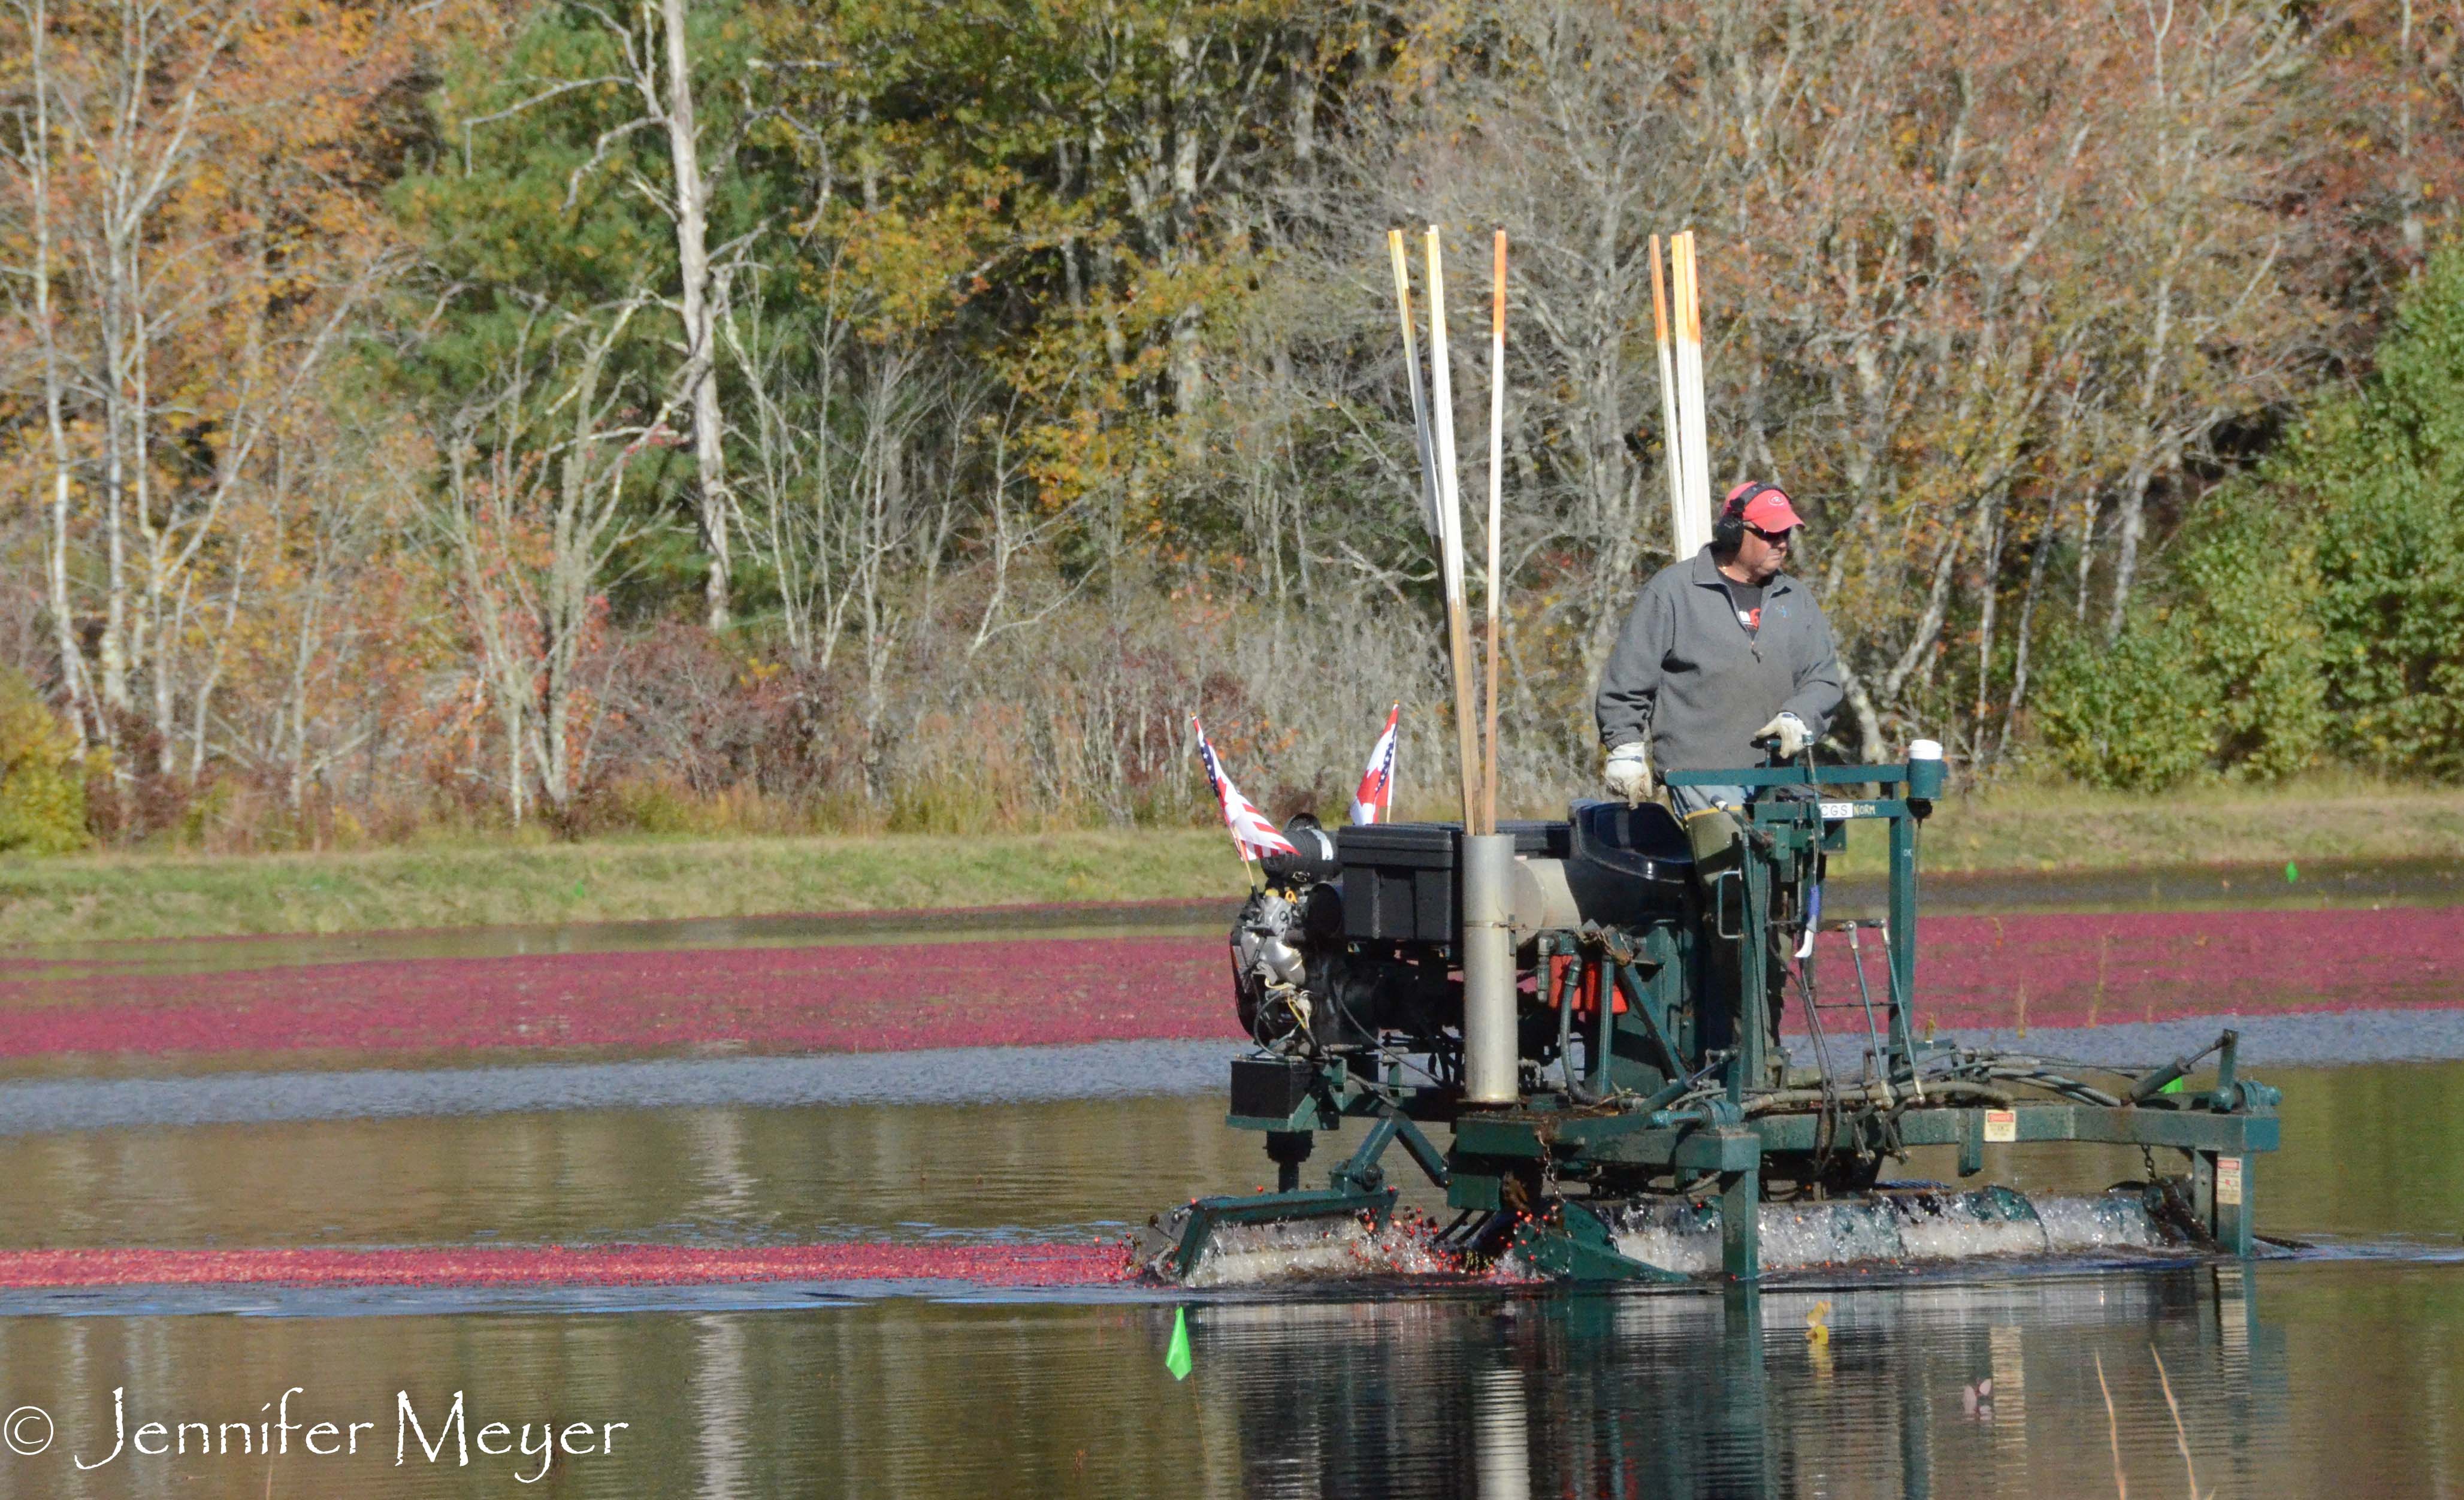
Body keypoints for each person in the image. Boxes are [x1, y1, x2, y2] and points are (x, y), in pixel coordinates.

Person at [1594, 481, 1843, 815]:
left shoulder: (1797, 599)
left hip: (1781, 777)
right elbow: (1627, 682)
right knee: (1730, 866)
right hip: (1700, 777)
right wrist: (1624, 745)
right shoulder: (1673, 592)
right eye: (1770, 533)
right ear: (1733, 532)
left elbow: (1823, 679)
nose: (1781, 543)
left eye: (1786, 534)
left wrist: (1799, 717)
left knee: (1799, 866)